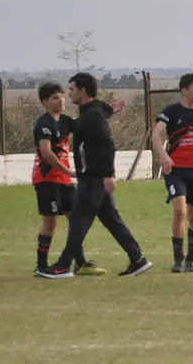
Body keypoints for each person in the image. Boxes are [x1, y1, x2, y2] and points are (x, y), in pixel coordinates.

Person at [37, 73, 152, 279]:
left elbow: (107, 145)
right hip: (93, 177)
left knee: (79, 220)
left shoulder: (92, 116)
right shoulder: (91, 113)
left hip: (94, 178)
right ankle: (138, 258)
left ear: (82, 91)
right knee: (111, 219)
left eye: (72, 90)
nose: (68, 94)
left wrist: (108, 175)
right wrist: (112, 110)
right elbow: (99, 111)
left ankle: (63, 266)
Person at [31, 82, 106, 277]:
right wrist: (68, 171)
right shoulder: (44, 124)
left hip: (64, 180)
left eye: (62, 96)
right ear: (45, 102)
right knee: (51, 223)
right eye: (55, 98)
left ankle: (81, 264)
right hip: (46, 179)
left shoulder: (65, 121)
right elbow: (46, 153)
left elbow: (87, 123)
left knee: (76, 219)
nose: (61, 100)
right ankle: (41, 266)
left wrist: (109, 111)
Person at [152, 73, 193, 272]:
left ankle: (191, 260)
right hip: (176, 170)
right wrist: (163, 156)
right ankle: (178, 259)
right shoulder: (171, 111)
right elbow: (156, 135)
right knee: (180, 211)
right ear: (185, 90)